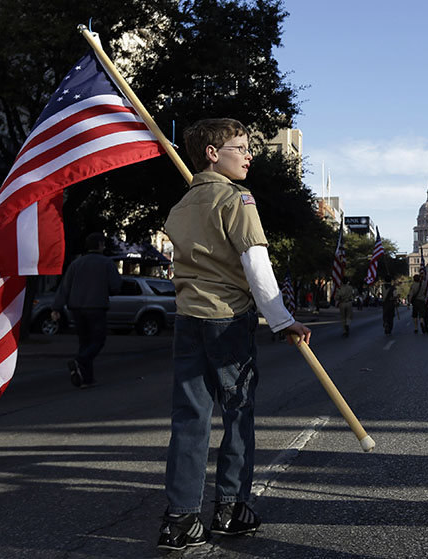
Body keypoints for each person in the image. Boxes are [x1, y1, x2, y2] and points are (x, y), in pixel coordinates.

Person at [159, 118, 311, 551]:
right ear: (212, 153)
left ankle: (180, 520)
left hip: (188, 319)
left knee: (190, 418)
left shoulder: (181, 206)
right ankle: (230, 510)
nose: (249, 155)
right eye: (240, 147)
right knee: (238, 415)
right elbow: (255, 261)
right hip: (228, 318)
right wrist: (282, 320)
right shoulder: (237, 198)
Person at [51, 232, 121, 389]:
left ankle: (87, 378)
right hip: (96, 306)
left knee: (84, 342)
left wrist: (56, 308)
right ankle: (80, 361)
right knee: (98, 340)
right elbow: (115, 286)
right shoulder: (106, 263)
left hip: (76, 307)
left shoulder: (76, 263)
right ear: (100, 245)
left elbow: (65, 287)